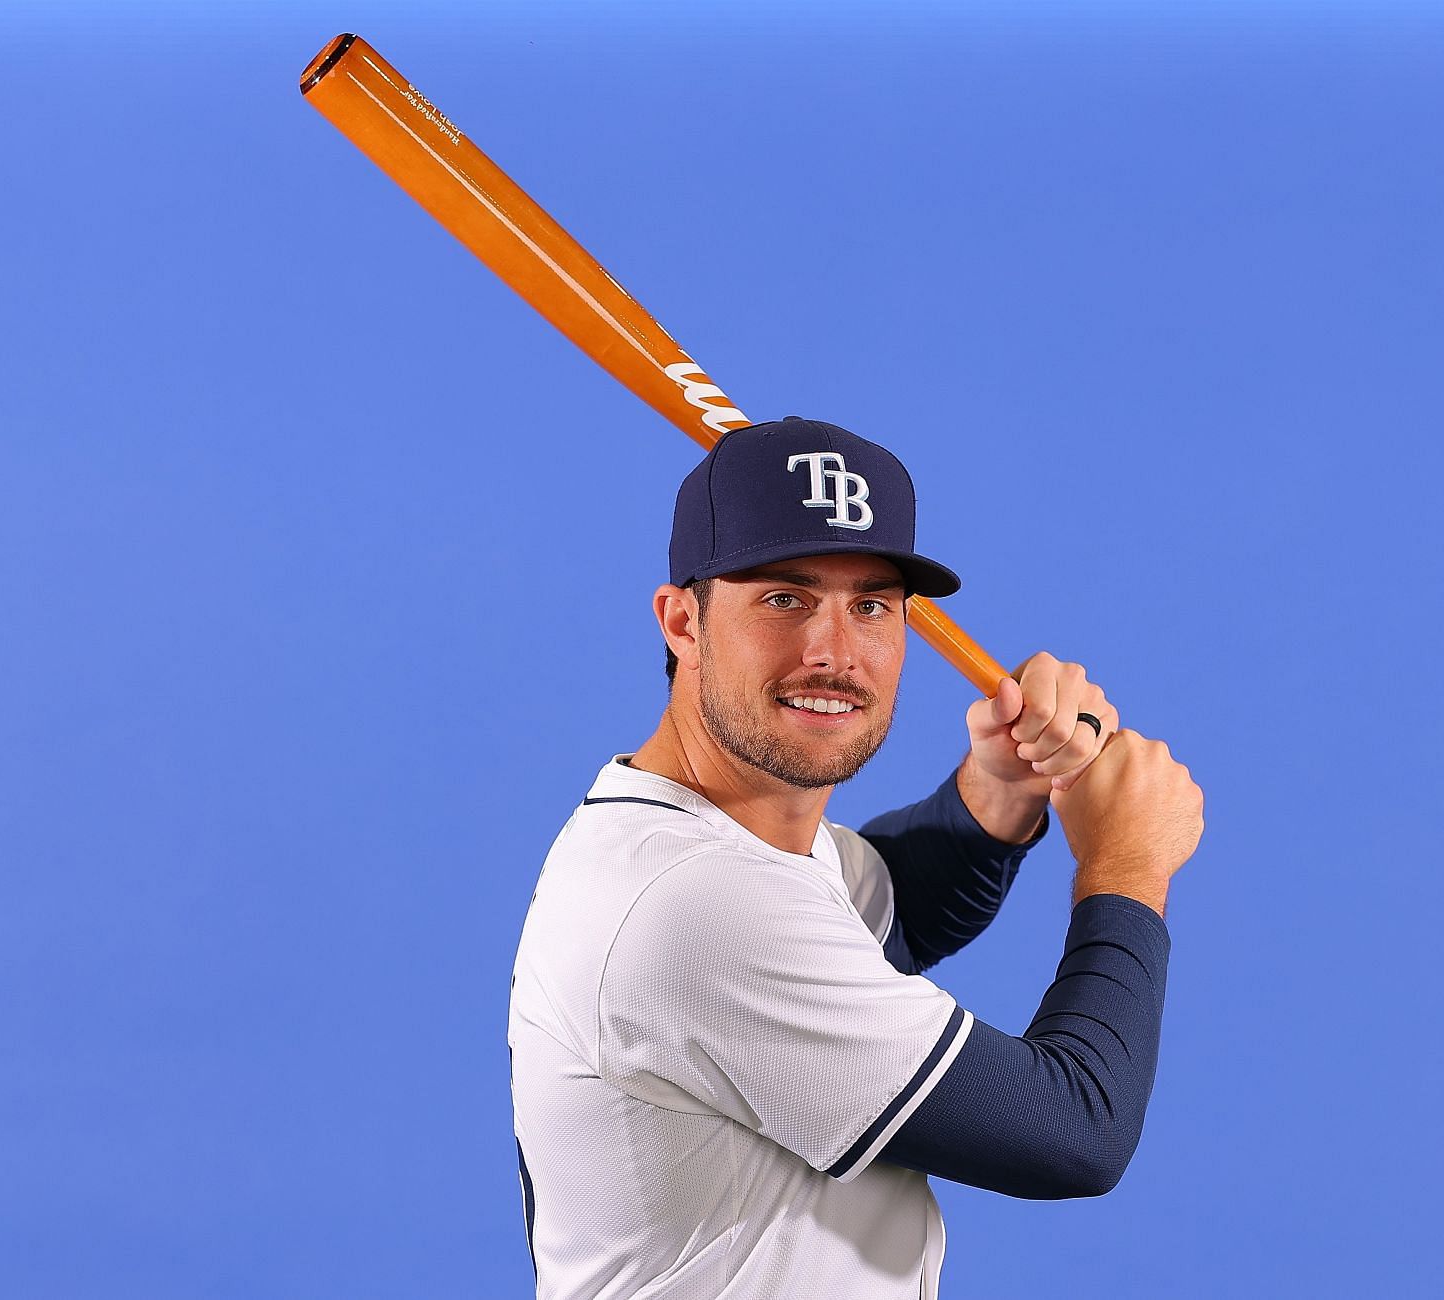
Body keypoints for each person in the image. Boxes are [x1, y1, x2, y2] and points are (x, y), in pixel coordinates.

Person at [508, 417, 1204, 1299]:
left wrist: (998, 791)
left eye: (870, 605)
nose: (833, 654)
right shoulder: (691, 900)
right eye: (784, 599)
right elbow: (1072, 1133)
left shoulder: (720, 843)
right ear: (683, 621)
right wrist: (1126, 867)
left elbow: (894, 912)